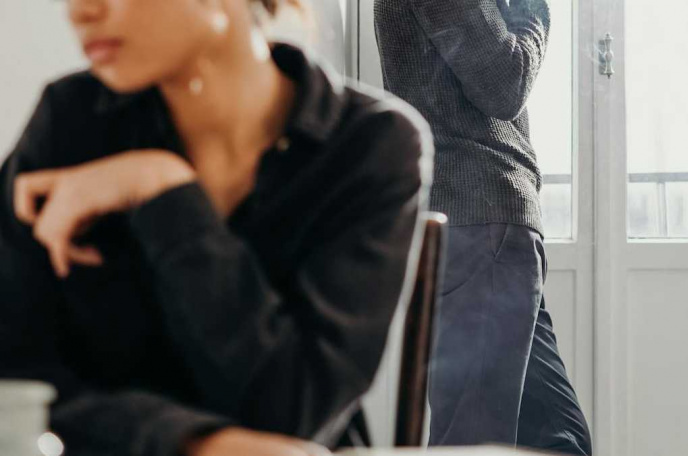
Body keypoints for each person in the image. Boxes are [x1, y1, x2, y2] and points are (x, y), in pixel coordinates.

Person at [0, 0, 432, 455]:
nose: (80, 12)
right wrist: (190, 443)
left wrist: (162, 190)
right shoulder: (70, 119)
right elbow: (11, 379)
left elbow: (294, 414)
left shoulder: (372, 146)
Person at [374, 0, 591, 454]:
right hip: (481, 223)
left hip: (491, 228)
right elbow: (504, 82)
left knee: (562, 441)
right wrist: (534, 10)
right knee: (472, 441)